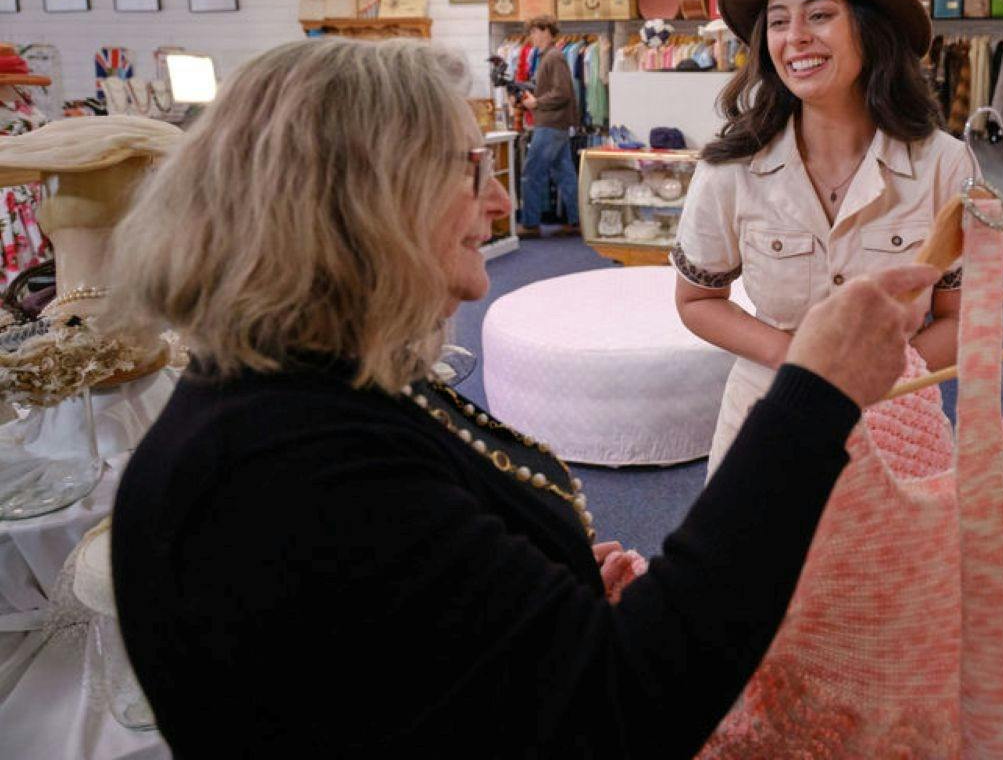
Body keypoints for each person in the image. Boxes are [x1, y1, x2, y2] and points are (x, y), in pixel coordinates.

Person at [105, 37, 936, 758]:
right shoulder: (276, 473)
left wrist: (543, 578)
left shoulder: (324, 390)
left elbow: (425, 626)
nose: (501, 202)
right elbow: (622, 712)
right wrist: (813, 399)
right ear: (363, 200)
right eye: (471, 172)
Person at [674, 0, 978, 472]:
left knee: (896, 559)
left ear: (870, 28)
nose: (796, 38)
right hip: (765, 418)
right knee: (758, 560)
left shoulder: (943, 164)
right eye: (778, 21)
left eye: (819, 15)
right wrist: (798, 362)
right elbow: (697, 300)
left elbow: (963, 316)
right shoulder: (731, 168)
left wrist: (884, 374)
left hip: (897, 423)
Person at [516, 14, 581, 238]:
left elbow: (561, 92)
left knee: (532, 173)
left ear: (545, 31)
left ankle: (531, 224)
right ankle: (576, 220)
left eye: (534, 31)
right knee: (565, 174)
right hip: (556, 123)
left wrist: (537, 102)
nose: (531, 36)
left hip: (551, 123)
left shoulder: (553, 57)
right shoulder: (548, 56)